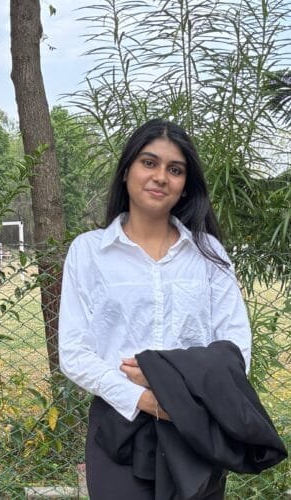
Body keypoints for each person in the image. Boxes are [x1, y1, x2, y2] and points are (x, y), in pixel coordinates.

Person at [58, 119, 252, 499]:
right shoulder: (88, 251)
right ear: (127, 170)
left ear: (185, 185)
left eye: (175, 169)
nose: (161, 177)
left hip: (196, 426)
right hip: (120, 423)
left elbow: (235, 346)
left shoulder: (208, 254)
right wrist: (146, 399)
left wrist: (174, 389)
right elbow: (74, 352)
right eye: (149, 163)